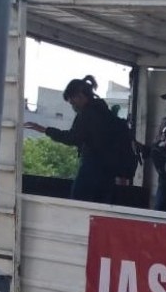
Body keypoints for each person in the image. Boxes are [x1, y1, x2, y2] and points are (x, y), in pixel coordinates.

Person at [24, 75, 118, 204]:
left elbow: (73, 137)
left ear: (80, 96)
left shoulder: (88, 114)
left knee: (78, 204)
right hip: (108, 171)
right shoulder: (104, 110)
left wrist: (46, 130)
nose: (73, 106)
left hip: (92, 167)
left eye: (73, 102)